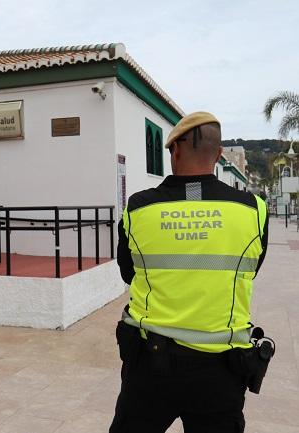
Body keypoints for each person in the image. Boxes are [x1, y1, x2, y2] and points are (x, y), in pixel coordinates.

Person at [109, 112, 269, 433]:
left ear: (175, 152)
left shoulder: (138, 208)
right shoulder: (253, 209)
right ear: (219, 154)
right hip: (222, 371)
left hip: (149, 366)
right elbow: (250, 271)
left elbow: (129, 273)